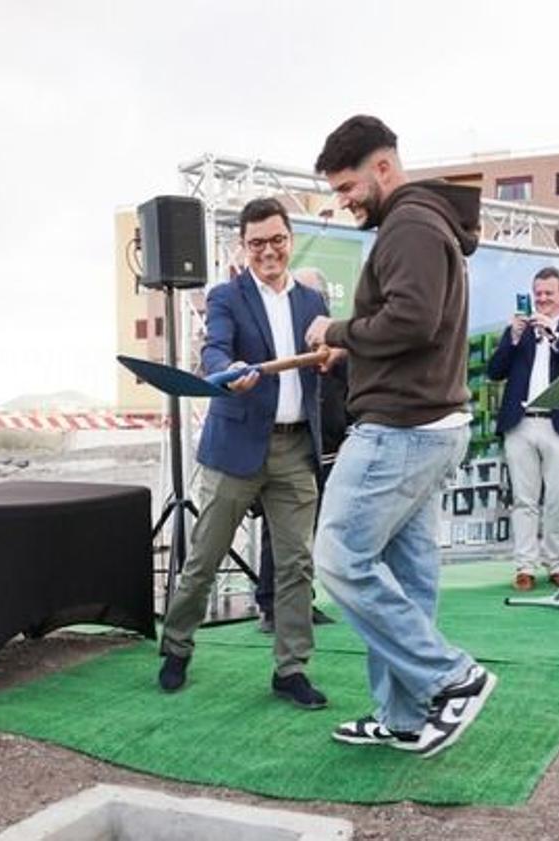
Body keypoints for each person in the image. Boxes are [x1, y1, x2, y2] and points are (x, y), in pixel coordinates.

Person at [305, 115, 496, 758]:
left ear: (383, 168)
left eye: (348, 185)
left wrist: (338, 333)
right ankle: (406, 717)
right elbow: (417, 326)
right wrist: (355, 353)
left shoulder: (410, 225)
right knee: (406, 580)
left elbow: (411, 321)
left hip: (401, 431)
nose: (345, 199)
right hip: (428, 427)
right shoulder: (422, 223)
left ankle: (453, 678)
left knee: (337, 558)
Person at [158, 197, 337, 709]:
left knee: (296, 565)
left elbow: (325, 360)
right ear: (244, 246)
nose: (268, 251)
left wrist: (328, 359)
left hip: (296, 449)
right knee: (204, 558)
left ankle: (291, 668)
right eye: (257, 243)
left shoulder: (311, 302)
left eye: (276, 240)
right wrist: (229, 368)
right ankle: (176, 648)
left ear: (289, 239)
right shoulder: (226, 296)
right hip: (234, 448)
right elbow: (213, 349)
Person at [255, 266, 349, 633]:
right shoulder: (279, 340)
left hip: (328, 450)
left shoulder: (336, 344)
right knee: (277, 530)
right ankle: (269, 606)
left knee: (304, 535)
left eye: (310, 296)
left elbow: (350, 388)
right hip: (286, 446)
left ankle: (299, 603)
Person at [487, 266, 559, 591]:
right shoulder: (517, 332)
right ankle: (524, 565)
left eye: (549, 293)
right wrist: (511, 338)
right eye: (537, 293)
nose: (542, 299)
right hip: (520, 425)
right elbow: (495, 372)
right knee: (524, 500)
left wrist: (556, 336)